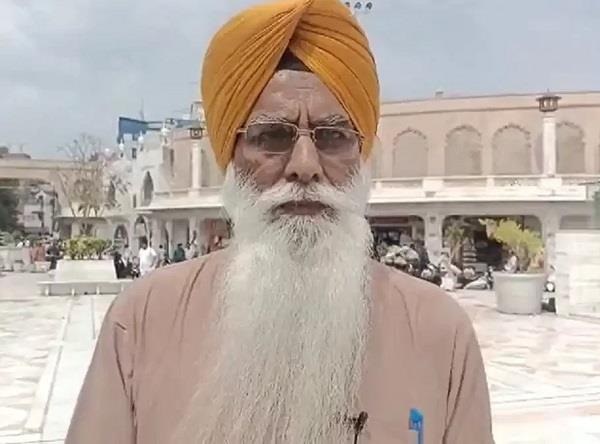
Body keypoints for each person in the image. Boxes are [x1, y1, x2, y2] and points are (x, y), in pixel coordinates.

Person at [66, 1, 493, 443]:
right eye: (271, 136)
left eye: (333, 137)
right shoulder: (142, 320)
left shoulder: (439, 332)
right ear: (232, 157)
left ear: (360, 155)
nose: (305, 166)